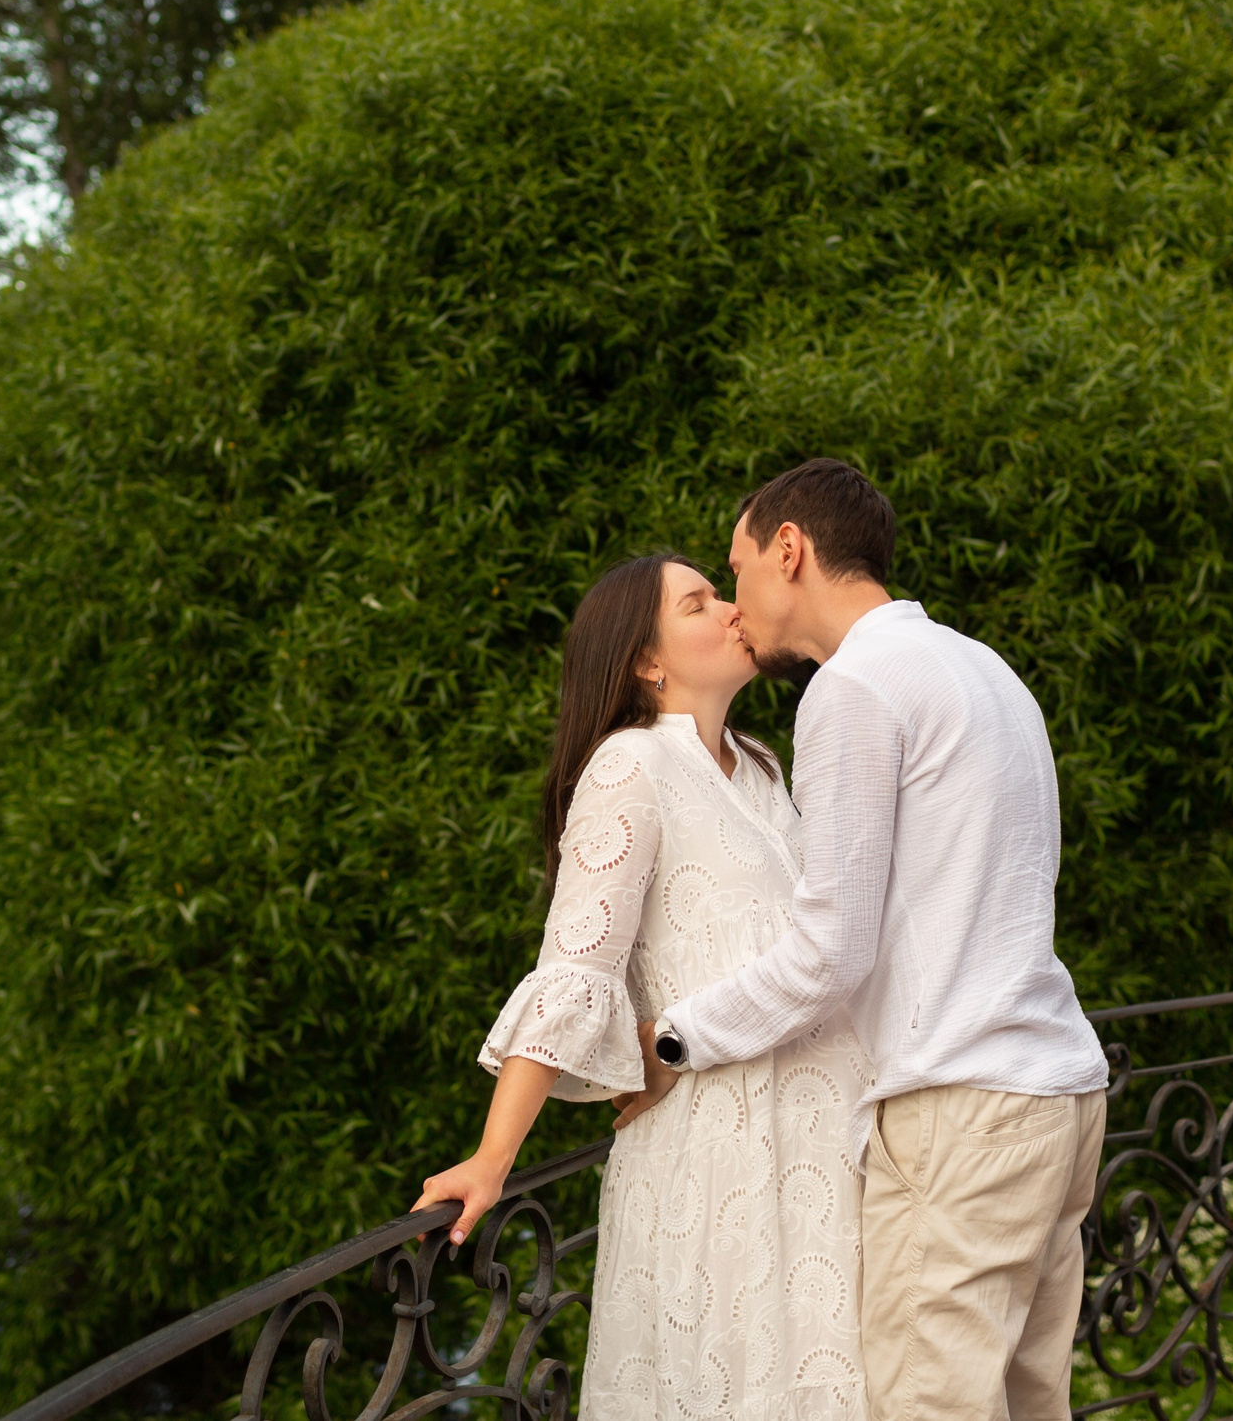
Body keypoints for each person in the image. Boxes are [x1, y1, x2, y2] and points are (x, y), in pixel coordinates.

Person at [636, 458, 1110, 1421]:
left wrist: (674, 1039)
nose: (735, 605)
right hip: (1058, 1094)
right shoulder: (983, 668)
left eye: (737, 569)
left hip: (962, 1113)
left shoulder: (854, 689)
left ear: (789, 549)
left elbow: (830, 951)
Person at [414, 553, 872, 1421]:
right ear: (647, 662)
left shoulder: (760, 766)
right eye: (698, 604)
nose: (731, 610)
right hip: (723, 1155)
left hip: (825, 1147)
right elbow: (575, 967)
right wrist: (492, 1159)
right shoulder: (629, 766)